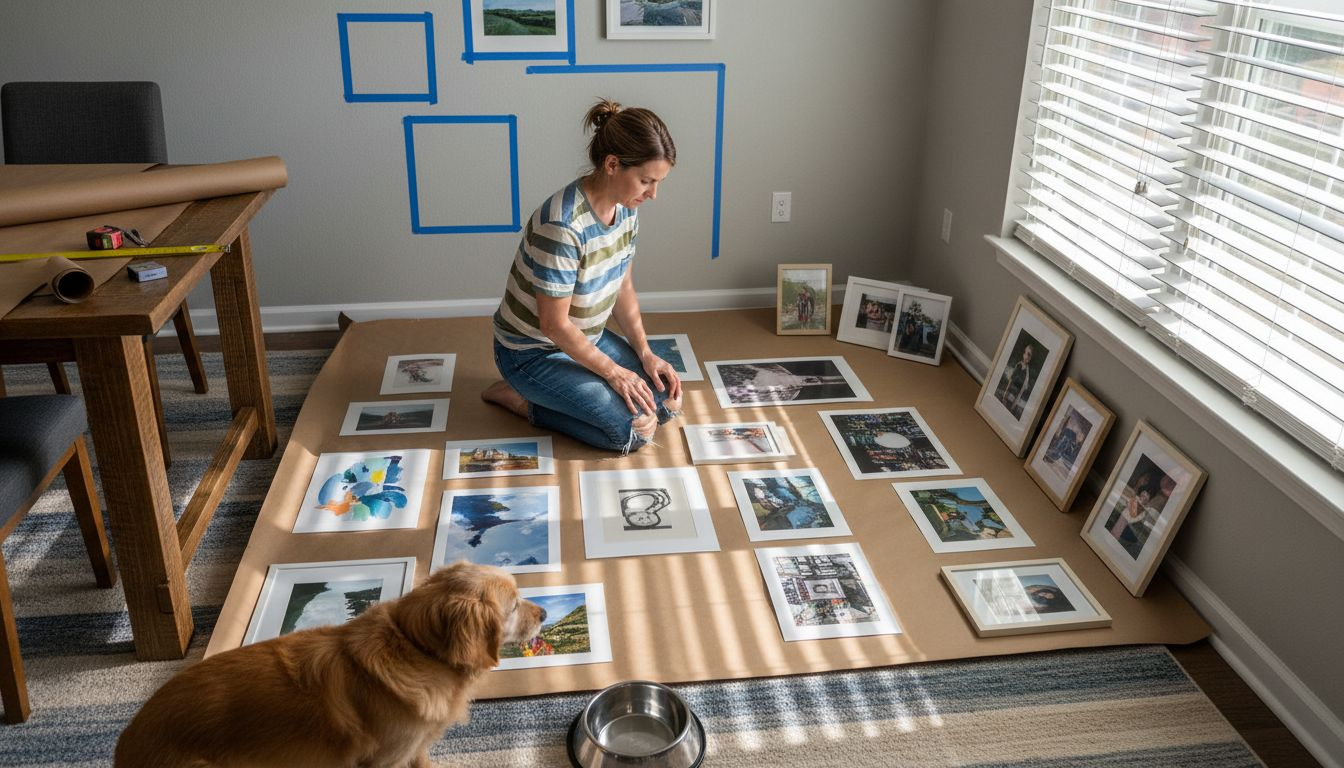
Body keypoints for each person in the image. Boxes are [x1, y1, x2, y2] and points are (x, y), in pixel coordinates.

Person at [482, 99, 682, 453]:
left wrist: (646, 353)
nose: (653, 194)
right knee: (631, 434)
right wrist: (614, 373)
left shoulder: (626, 209)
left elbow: (623, 286)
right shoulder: (562, 226)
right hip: (532, 353)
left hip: (584, 338)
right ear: (612, 164)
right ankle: (518, 396)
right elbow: (554, 327)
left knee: (665, 402)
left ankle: (575, 391)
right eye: (646, 181)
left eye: (658, 182)